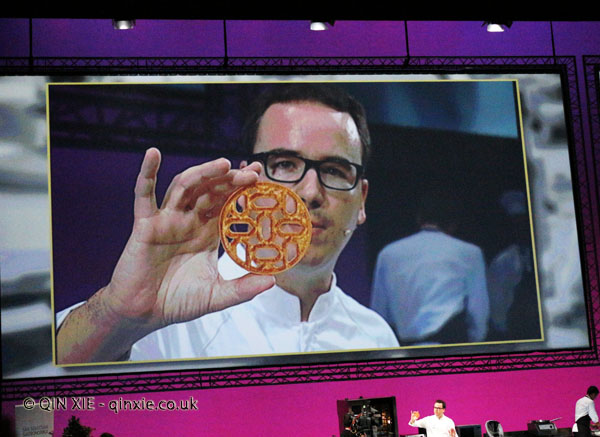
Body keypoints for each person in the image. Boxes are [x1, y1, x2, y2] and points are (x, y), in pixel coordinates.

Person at [55, 83, 399, 364]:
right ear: (250, 180)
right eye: (285, 164)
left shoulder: (377, 338)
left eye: (336, 171)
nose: (310, 192)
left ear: (362, 200)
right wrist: (119, 314)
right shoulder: (168, 317)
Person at [369, 187, 489, 345]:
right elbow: (478, 313)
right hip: (452, 349)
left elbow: (379, 314)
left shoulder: (388, 253)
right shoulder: (469, 253)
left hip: (404, 350)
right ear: (453, 224)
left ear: (419, 218)